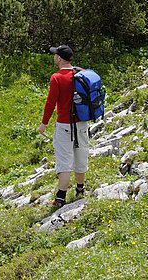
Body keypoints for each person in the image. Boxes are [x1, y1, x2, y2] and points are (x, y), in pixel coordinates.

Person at [38, 45, 89, 208]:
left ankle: (60, 198)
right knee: (81, 157)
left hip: (64, 125)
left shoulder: (57, 77)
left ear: (59, 58)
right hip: (81, 123)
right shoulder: (80, 73)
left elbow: (50, 103)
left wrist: (44, 124)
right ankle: (80, 190)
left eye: (55, 55)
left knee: (64, 162)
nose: (54, 57)